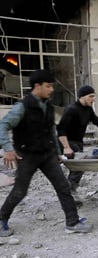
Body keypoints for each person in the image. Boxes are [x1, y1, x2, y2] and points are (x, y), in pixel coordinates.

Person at [0, 69, 93, 237]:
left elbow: (51, 131)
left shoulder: (48, 107)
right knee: (20, 191)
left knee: (63, 186)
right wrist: (7, 149)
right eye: (48, 86)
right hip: (28, 156)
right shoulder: (23, 106)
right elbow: (3, 125)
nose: (51, 90)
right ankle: (1, 220)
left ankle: (72, 222)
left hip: (48, 155)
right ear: (38, 86)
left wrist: (57, 152)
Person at [57, 85, 98, 195]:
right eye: (91, 96)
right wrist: (66, 147)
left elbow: (97, 122)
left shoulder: (88, 109)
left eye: (94, 96)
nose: (93, 99)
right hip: (68, 142)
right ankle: (69, 192)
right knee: (79, 166)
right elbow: (61, 129)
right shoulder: (71, 109)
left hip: (78, 142)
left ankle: (69, 190)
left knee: (78, 168)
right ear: (83, 96)